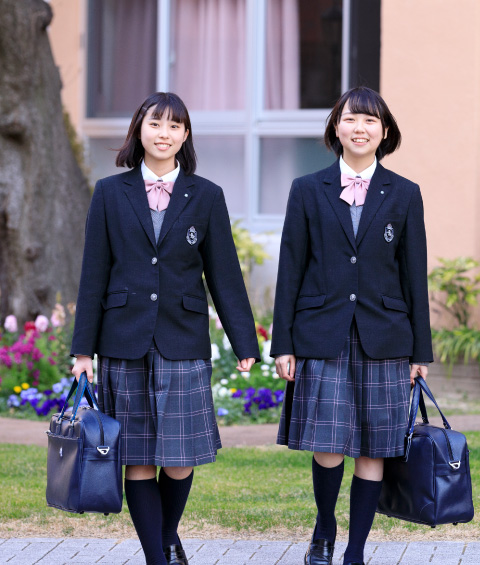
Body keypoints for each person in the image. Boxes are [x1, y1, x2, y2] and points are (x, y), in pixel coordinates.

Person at [70, 92, 260, 565]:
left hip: (183, 339)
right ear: (139, 130)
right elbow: (93, 274)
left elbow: (225, 275)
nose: (164, 133)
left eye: (174, 126)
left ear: (185, 136)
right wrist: (83, 352)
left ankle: (166, 534)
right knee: (136, 460)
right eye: (155, 124)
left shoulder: (207, 196)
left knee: (178, 459)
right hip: (122, 341)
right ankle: (158, 556)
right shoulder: (110, 193)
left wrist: (245, 342)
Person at [271, 86, 433, 565]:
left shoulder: (405, 194)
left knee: (373, 449)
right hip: (321, 333)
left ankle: (355, 551)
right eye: (350, 119)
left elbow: (414, 276)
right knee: (328, 444)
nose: (359, 128)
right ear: (335, 128)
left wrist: (420, 353)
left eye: (370, 121)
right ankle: (324, 527)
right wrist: (284, 343)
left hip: (386, 337)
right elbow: (290, 270)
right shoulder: (306, 189)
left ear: (384, 132)